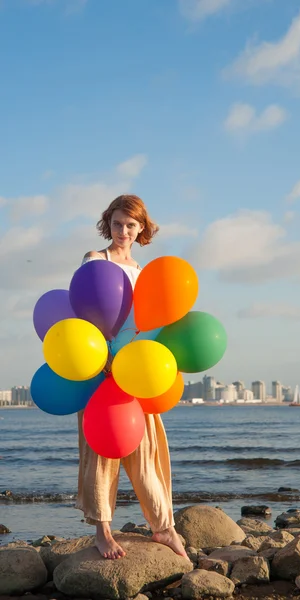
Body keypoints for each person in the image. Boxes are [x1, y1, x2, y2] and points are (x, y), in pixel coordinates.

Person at [75, 194, 188, 561]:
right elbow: (87, 316)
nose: (123, 230)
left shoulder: (143, 272)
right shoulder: (95, 260)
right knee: (100, 454)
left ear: (141, 229)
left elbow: (150, 325)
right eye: (118, 222)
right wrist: (104, 360)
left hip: (137, 372)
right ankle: (102, 531)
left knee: (148, 452)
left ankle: (163, 527)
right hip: (99, 370)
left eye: (131, 225)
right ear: (108, 222)